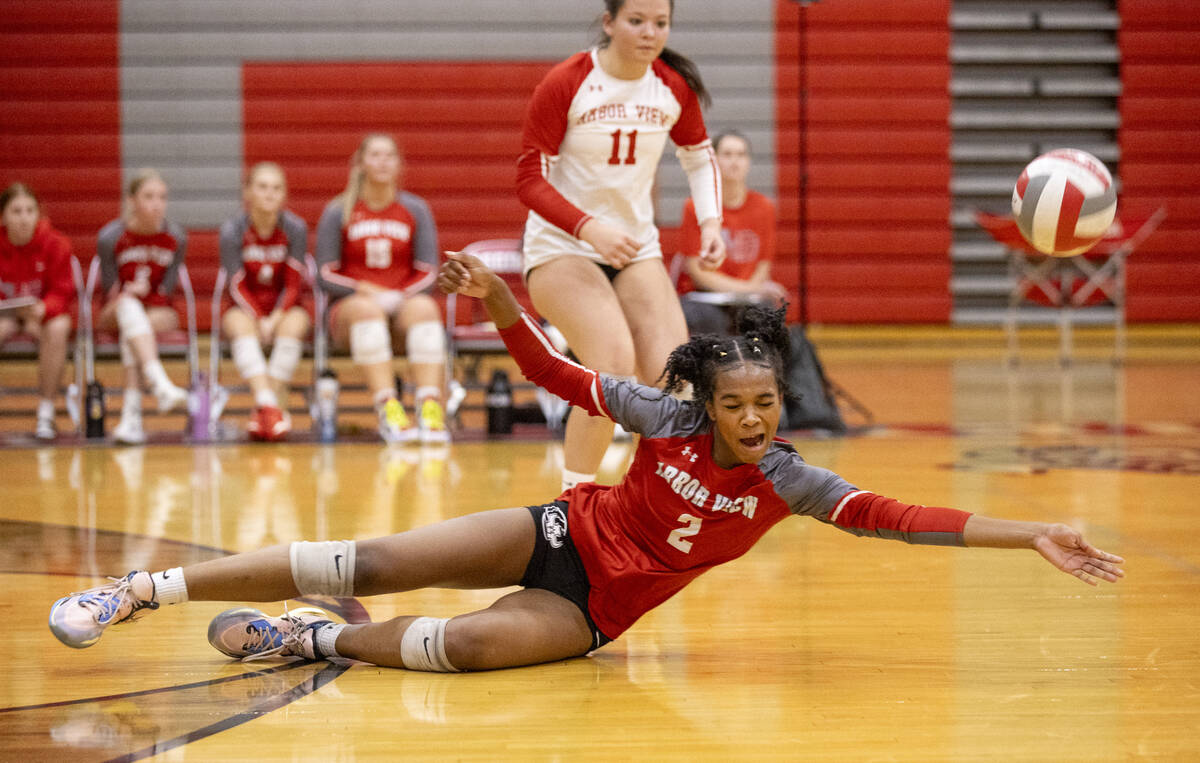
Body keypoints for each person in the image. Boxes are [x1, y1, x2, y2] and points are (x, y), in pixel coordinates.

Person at [47, 251, 1125, 672]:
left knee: (461, 649)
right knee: (365, 551)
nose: (754, 419)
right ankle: (137, 589)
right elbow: (557, 377)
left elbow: (900, 515)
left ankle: (309, 641)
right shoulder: (662, 416)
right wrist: (506, 305)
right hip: (560, 532)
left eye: (767, 404)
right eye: (737, 404)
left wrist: (1031, 531)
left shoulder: (793, 479)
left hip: (599, 608)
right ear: (706, 398)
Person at [518, 0, 726, 491]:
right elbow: (529, 180)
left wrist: (711, 224)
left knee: (676, 378)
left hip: (633, 250)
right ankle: (571, 510)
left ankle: (658, 502)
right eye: (636, 21)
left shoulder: (672, 86)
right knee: (610, 371)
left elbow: (698, 157)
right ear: (609, 23)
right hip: (560, 249)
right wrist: (589, 227)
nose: (649, 33)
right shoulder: (568, 82)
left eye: (661, 23)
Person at [316, 133, 449, 444]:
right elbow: (324, 273)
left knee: (425, 308)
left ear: (400, 164)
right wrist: (365, 290)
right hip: (352, 309)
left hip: (400, 304)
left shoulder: (415, 209)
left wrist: (402, 296)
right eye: (375, 155)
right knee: (367, 311)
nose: (382, 162)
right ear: (361, 163)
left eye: (389, 155)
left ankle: (430, 409)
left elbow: (430, 271)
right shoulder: (339, 210)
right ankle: (389, 410)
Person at [95, 169, 189, 445]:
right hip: (116, 308)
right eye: (148, 196)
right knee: (127, 308)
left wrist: (146, 295)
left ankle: (131, 417)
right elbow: (108, 291)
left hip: (158, 310)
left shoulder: (176, 238)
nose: (157, 204)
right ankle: (160, 384)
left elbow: (168, 291)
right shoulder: (111, 237)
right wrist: (128, 292)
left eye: (162, 197)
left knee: (133, 328)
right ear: (131, 200)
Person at [219, 162, 311, 441]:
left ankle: (263, 411)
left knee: (295, 325)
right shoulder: (232, 230)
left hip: (284, 306)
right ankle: (271, 405)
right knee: (237, 324)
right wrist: (259, 317)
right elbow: (235, 284)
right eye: (262, 187)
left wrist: (276, 316)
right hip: (245, 306)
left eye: (276, 188)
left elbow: (294, 281)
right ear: (247, 192)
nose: (269, 194)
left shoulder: (295, 228)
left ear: (284, 195)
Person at [677, 130, 788, 336]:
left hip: (748, 298)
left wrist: (750, 291)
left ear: (749, 162)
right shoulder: (694, 207)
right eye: (727, 154)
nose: (734, 161)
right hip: (704, 297)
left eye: (741, 154)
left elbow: (763, 267)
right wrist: (748, 289)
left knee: (765, 317)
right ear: (715, 160)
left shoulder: (764, 207)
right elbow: (697, 272)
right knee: (707, 320)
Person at [0, 183, 76, 439]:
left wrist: (44, 308)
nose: (23, 218)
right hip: (6, 315)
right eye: (16, 211)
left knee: (59, 327)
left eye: (29, 210)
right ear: (4, 216)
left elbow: (63, 290)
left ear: (38, 214)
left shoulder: (56, 244)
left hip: (40, 314)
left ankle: (46, 410)